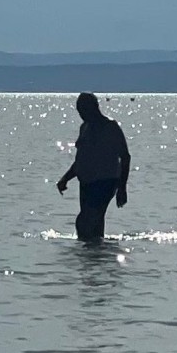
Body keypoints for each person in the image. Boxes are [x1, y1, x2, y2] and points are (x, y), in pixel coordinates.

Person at [56, 92, 131, 244]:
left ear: (94, 108)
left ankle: (89, 258)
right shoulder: (84, 128)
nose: (82, 115)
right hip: (86, 182)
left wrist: (122, 188)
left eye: (84, 110)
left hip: (106, 182)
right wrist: (65, 178)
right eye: (80, 112)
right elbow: (80, 160)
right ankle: (96, 257)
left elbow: (125, 157)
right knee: (94, 224)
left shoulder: (110, 127)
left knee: (84, 221)